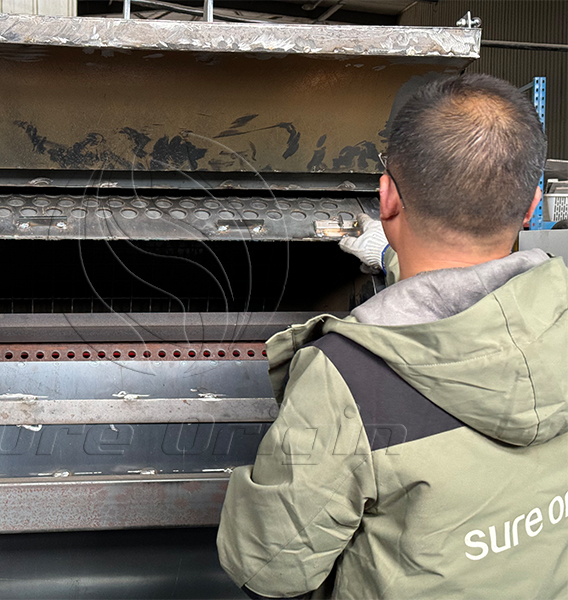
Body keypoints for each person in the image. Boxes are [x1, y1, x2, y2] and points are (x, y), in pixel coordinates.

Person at [217, 74, 568, 599]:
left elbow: (270, 570)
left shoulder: (349, 378)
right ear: (531, 205)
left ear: (386, 198)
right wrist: (390, 255)